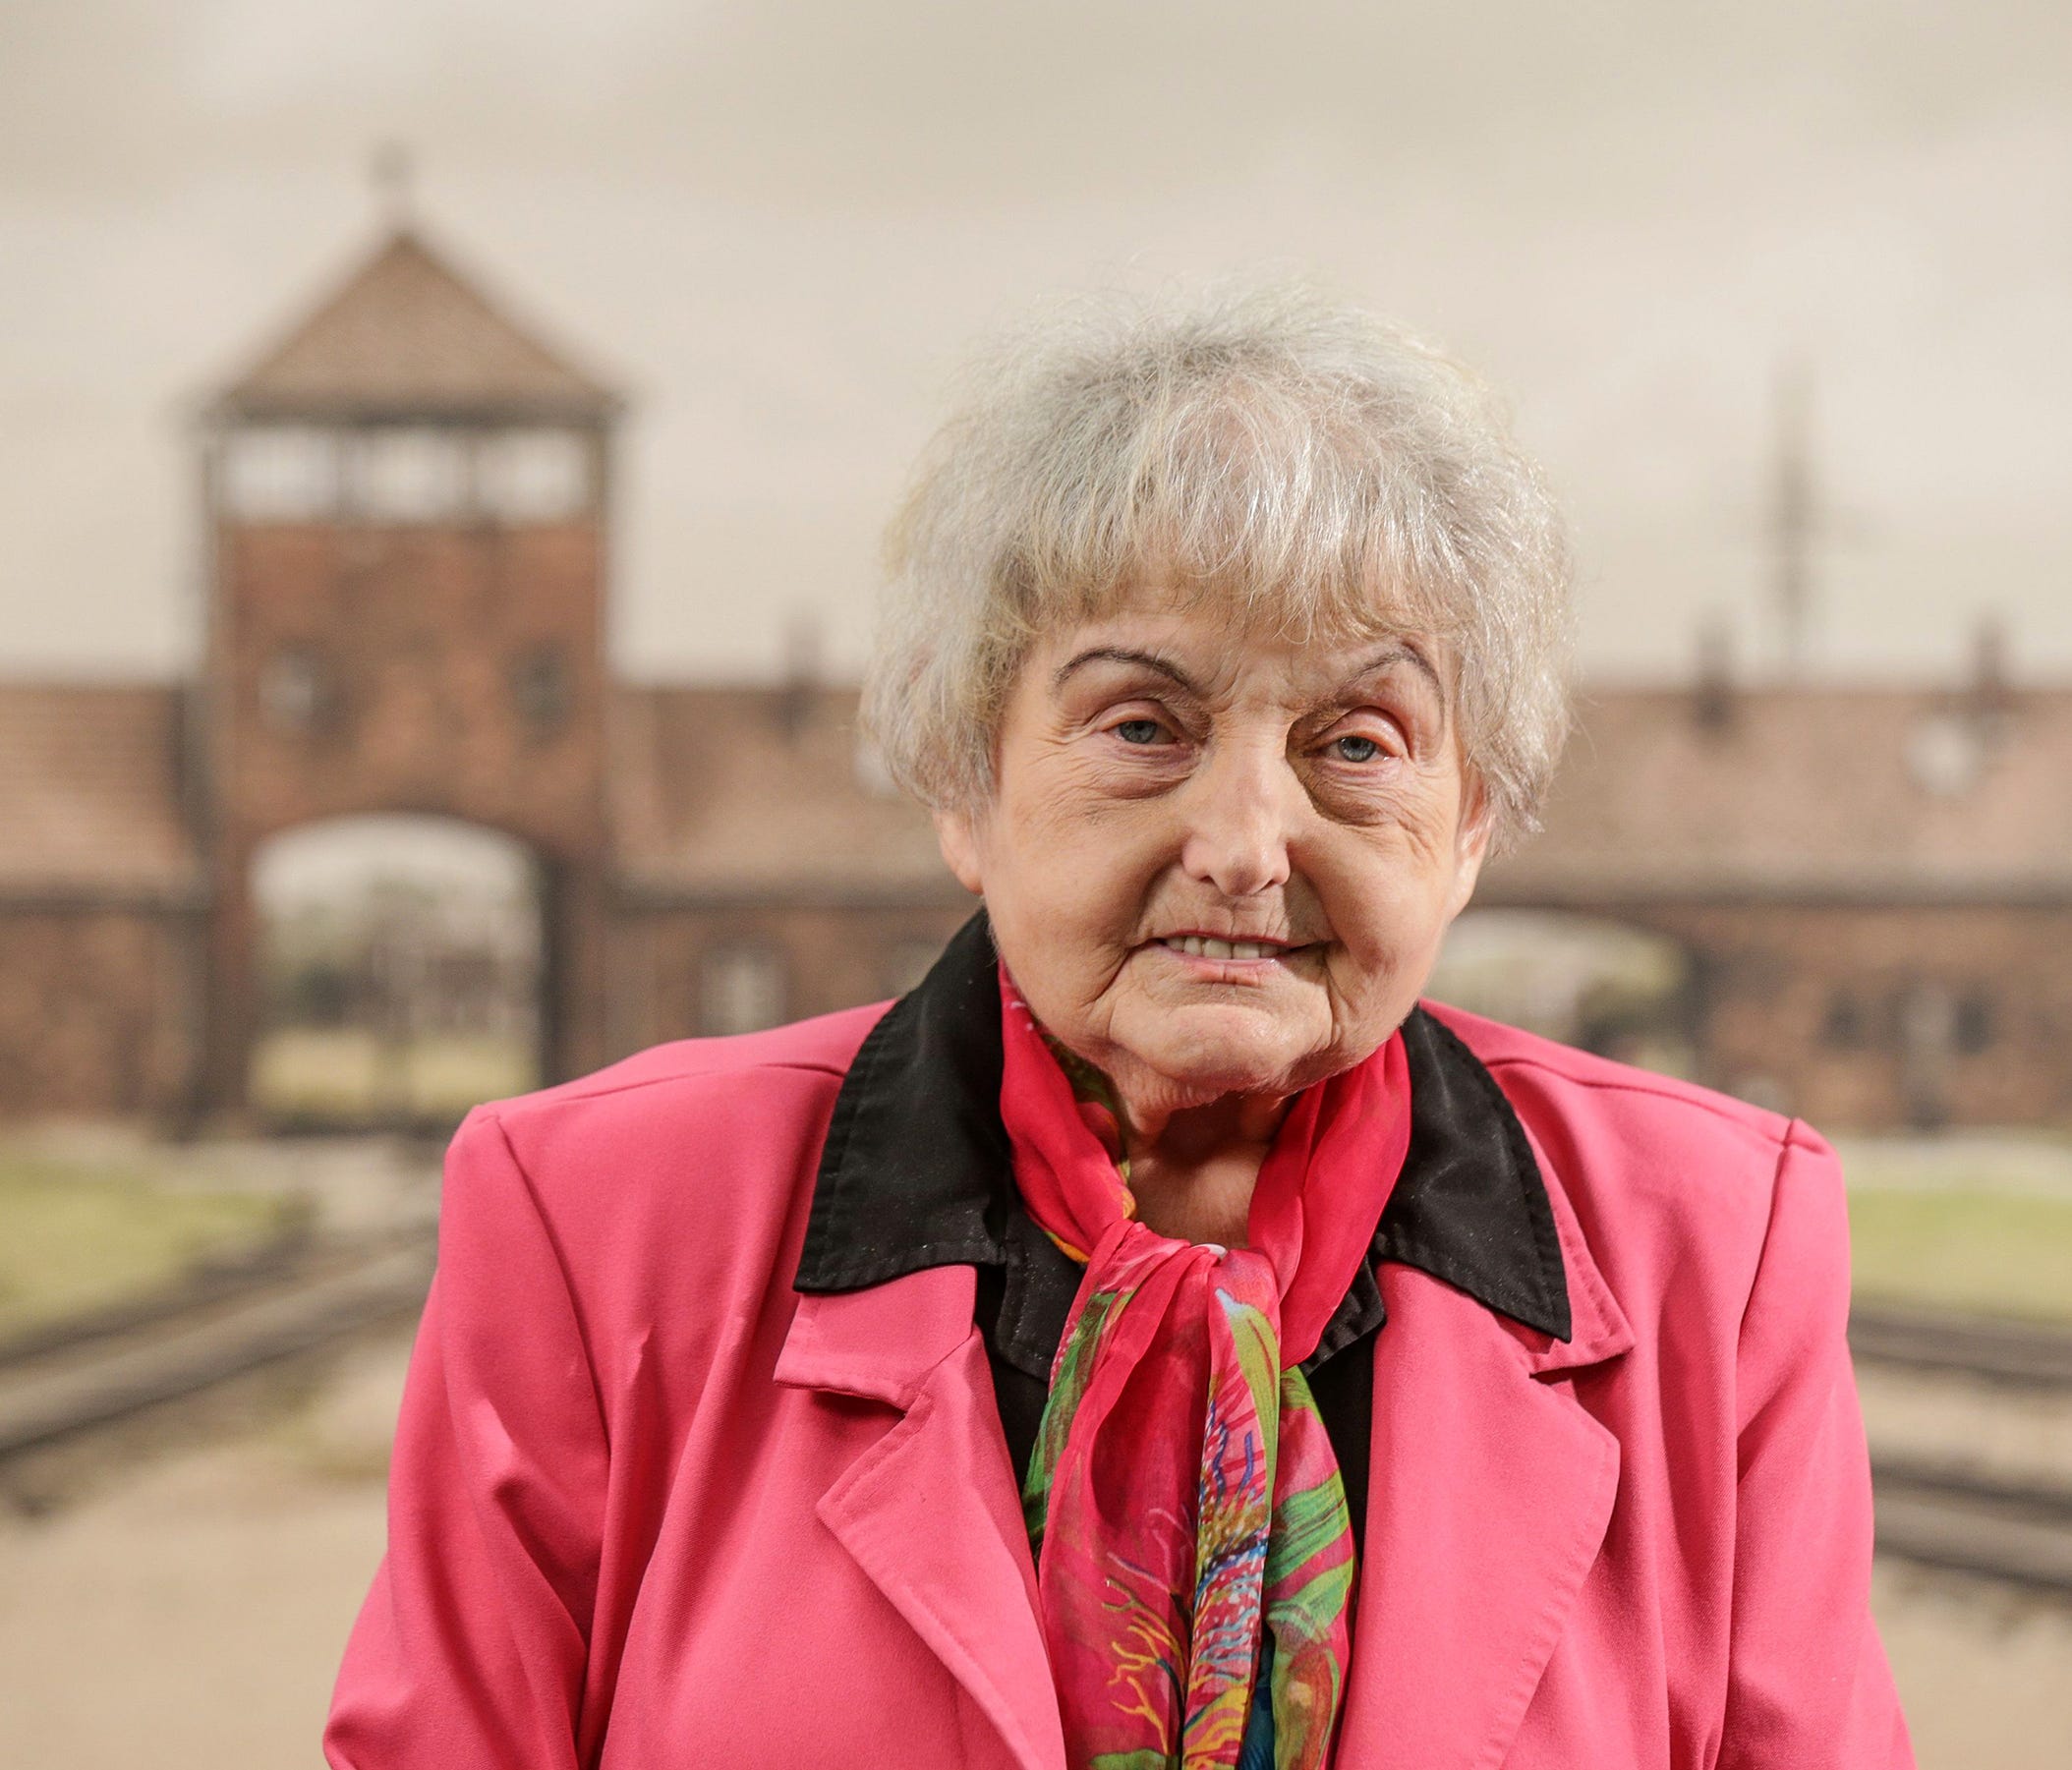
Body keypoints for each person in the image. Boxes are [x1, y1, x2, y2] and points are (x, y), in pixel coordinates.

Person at [324, 288, 1913, 1768]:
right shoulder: (597, 1225)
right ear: (970, 782)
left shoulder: (1722, 1248)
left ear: (1473, 820)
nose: (1245, 840)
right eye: (1142, 724)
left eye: (1355, 740)